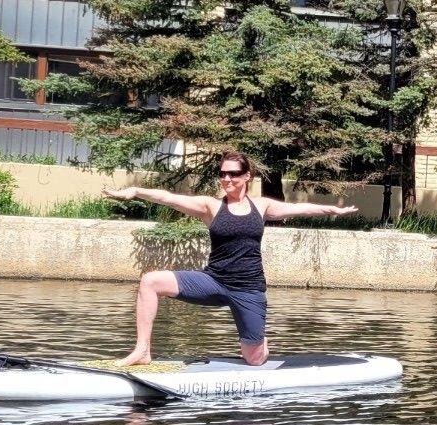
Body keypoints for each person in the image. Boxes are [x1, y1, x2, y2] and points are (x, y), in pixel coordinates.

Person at [108, 150, 359, 367]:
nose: (226, 178)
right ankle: (142, 351)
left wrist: (331, 209)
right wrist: (137, 191)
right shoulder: (211, 207)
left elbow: (299, 209)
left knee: (254, 359)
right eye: (223, 174)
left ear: (247, 176)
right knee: (150, 281)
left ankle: (259, 339)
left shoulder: (261, 206)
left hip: (249, 289)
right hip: (214, 281)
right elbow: (169, 198)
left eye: (233, 174)